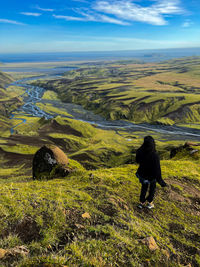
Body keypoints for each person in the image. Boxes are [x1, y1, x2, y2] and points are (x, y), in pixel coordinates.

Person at [136, 136, 167, 209]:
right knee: (152, 188)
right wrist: (161, 181)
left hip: (142, 174)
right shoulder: (154, 155)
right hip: (151, 176)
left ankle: (141, 202)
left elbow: (137, 161)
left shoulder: (140, 151)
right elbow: (157, 170)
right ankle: (150, 203)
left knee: (144, 187)